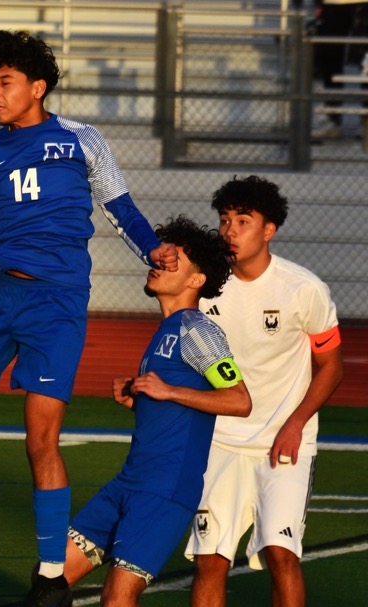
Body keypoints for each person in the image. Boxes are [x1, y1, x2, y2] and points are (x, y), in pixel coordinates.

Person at [0, 29, 179, 607]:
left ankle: (48, 579)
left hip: (57, 305)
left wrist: (152, 248)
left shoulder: (82, 139)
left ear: (37, 88)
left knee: (41, 440)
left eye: (4, 82)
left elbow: (121, 208)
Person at [59, 216, 252, 606]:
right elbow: (174, 409)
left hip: (164, 491)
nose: (159, 262)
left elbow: (239, 400)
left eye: (173, 260)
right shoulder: (165, 330)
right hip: (129, 482)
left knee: (117, 598)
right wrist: (141, 399)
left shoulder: (198, 329)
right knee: (51, 577)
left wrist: (168, 390)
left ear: (196, 281)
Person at [184, 175, 344, 607]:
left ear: (268, 230)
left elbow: (331, 367)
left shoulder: (303, 288)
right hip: (218, 442)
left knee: (281, 555)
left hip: (284, 442)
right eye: (224, 220)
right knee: (210, 560)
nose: (229, 231)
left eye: (243, 220)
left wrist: (296, 424)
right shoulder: (204, 287)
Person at [312, 0, 368, 138]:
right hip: (332, 5)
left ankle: (366, 122)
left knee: (366, 60)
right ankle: (332, 117)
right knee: (329, 58)